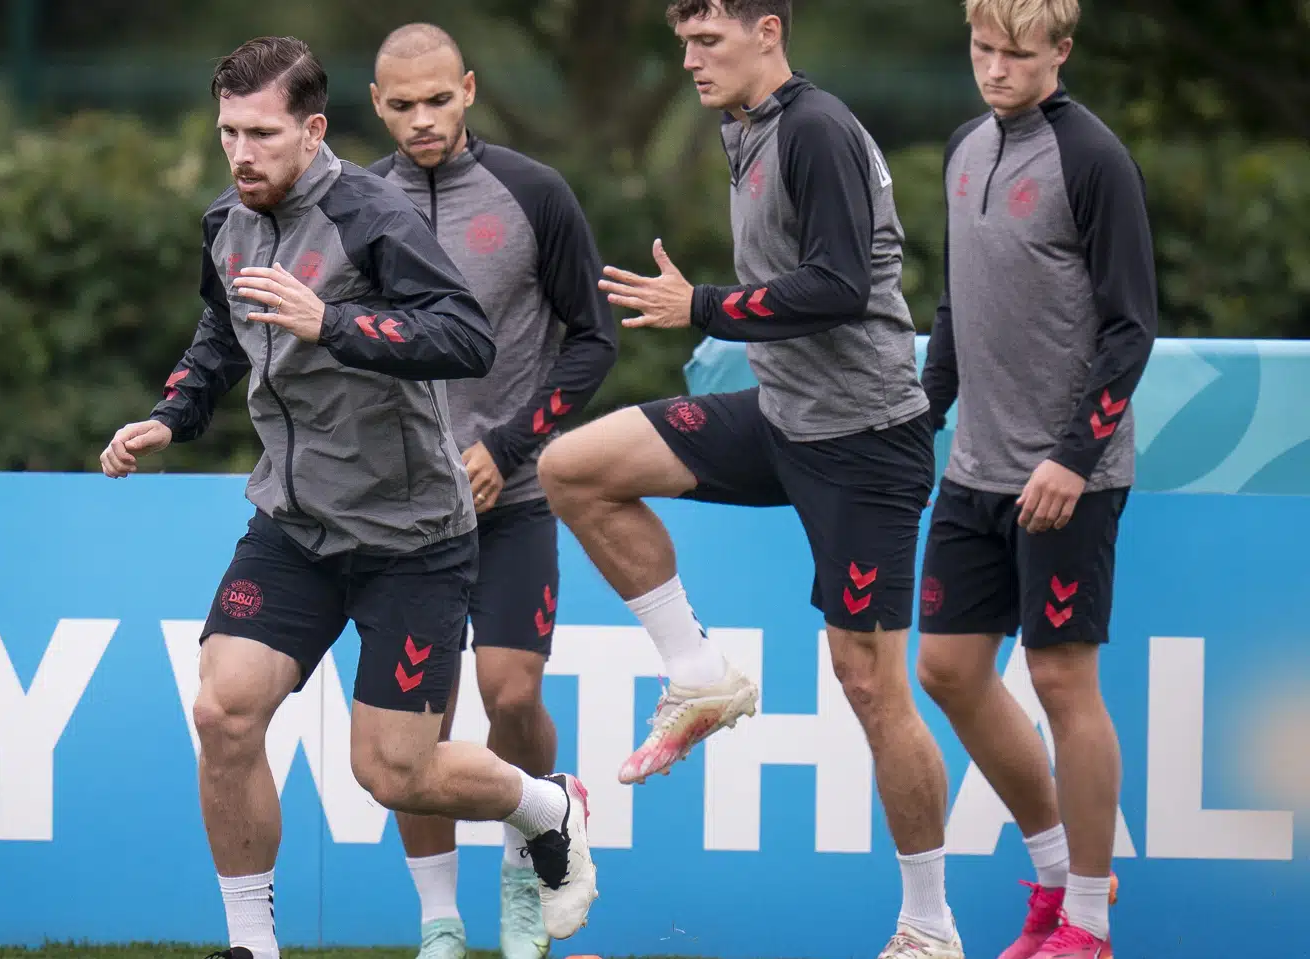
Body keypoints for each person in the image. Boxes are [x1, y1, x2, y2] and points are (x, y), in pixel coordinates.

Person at [97, 36, 597, 959]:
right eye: (228, 132)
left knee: (394, 772)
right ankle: (252, 944)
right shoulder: (227, 219)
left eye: (261, 134)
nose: (240, 153)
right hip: (293, 525)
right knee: (222, 710)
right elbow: (222, 330)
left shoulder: (371, 214)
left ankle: (545, 805)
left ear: (314, 129)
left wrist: (331, 320)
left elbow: (464, 337)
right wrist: (171, 415)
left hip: (412, 537)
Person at [538, 3, 963, 957]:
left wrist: (701, 304)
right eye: (683, 43)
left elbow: (839, 285)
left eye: (709, 41)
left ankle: (930, 926)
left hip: (864, 440)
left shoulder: (815, 129)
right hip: (783, 416)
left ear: (768, 30)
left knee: (871, 684)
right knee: (574, 468)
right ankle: (699, 676)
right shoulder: (748, 127)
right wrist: (711, 308)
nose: (691, 60)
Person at [365, 23, 618, 959]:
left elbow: (594, 338)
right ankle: (439, 923)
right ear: (376, 106)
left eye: (439, 99)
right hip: (402, 513)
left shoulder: (535, 192)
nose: (422, 120)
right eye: (402, 105)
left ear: (468, 89)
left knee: (511, 694)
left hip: (513, 497)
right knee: (416, 727)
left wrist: (507, 448)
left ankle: (526, 868)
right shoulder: (355, 203)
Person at [915, 0, 1155, 956]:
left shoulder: (1093, 158)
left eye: (1016, 53)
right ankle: (1057, 877)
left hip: (1068, 476)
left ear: (1061, 50)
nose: (995, 69)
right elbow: (955, 302)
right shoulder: (965, 146)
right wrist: (923, 413)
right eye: (982, 49)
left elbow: (1131, 327)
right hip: (974, 469)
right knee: (946, 669)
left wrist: (1072, 458)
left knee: (1061, 680)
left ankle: (1089, 923)